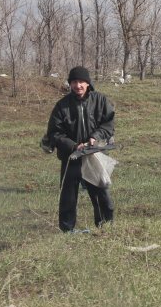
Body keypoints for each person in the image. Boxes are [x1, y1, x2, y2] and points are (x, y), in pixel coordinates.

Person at [45, 66, 115, 232]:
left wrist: (95, 137)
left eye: (82, 82)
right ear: (70, 84)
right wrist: (73, 145)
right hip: (72, 157)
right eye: (74, 82)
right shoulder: (62, 106)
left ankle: (105, 226)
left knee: (101, 193)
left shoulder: (101, 100)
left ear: (88, 83)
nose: (78, 85)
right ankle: (67, 230)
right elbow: (54, 133)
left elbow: (109, 124)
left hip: (94, 155)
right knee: (68, 196)